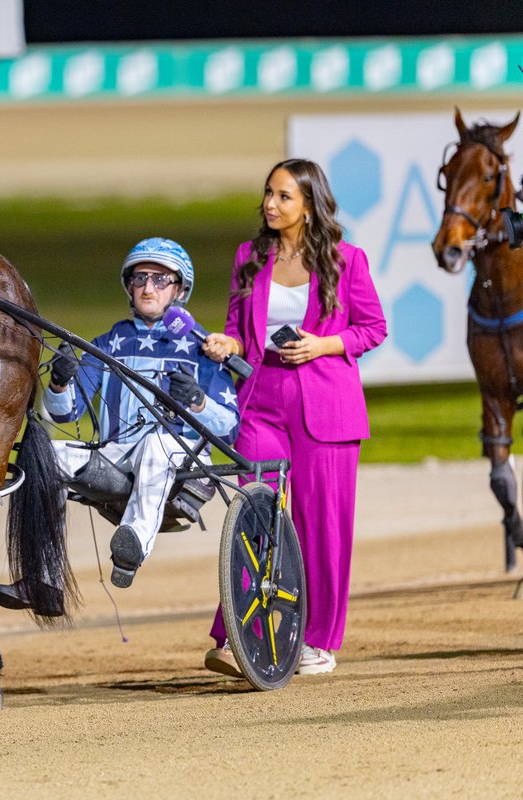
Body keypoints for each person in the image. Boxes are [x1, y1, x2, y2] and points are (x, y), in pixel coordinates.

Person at [201, 159, 386, 677]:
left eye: (284, 196)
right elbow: (240, 329)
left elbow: (373, 327)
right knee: (254, 514)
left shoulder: (347, 260)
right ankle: (237, 635)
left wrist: (324, 344)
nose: (271, 204)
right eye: (268, 193)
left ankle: (318, 639)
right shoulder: (249, 257)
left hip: (326, 405)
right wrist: (226, 343)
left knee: (321, 524)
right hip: (261, 399)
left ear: (308, 204)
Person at [0, 238, 238, 610]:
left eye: (160, 279)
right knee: (42, 456)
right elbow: (66, 414)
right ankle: (44, 581)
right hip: (117, 457)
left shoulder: (201, 348)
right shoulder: (108, 344)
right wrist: (59, 384)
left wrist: (198, 401)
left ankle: (132, 544)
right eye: (140, 278)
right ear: (128, 286)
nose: (148, 288)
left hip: (183, 461)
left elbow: (228, 427)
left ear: (180, 289)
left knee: (156, 443)